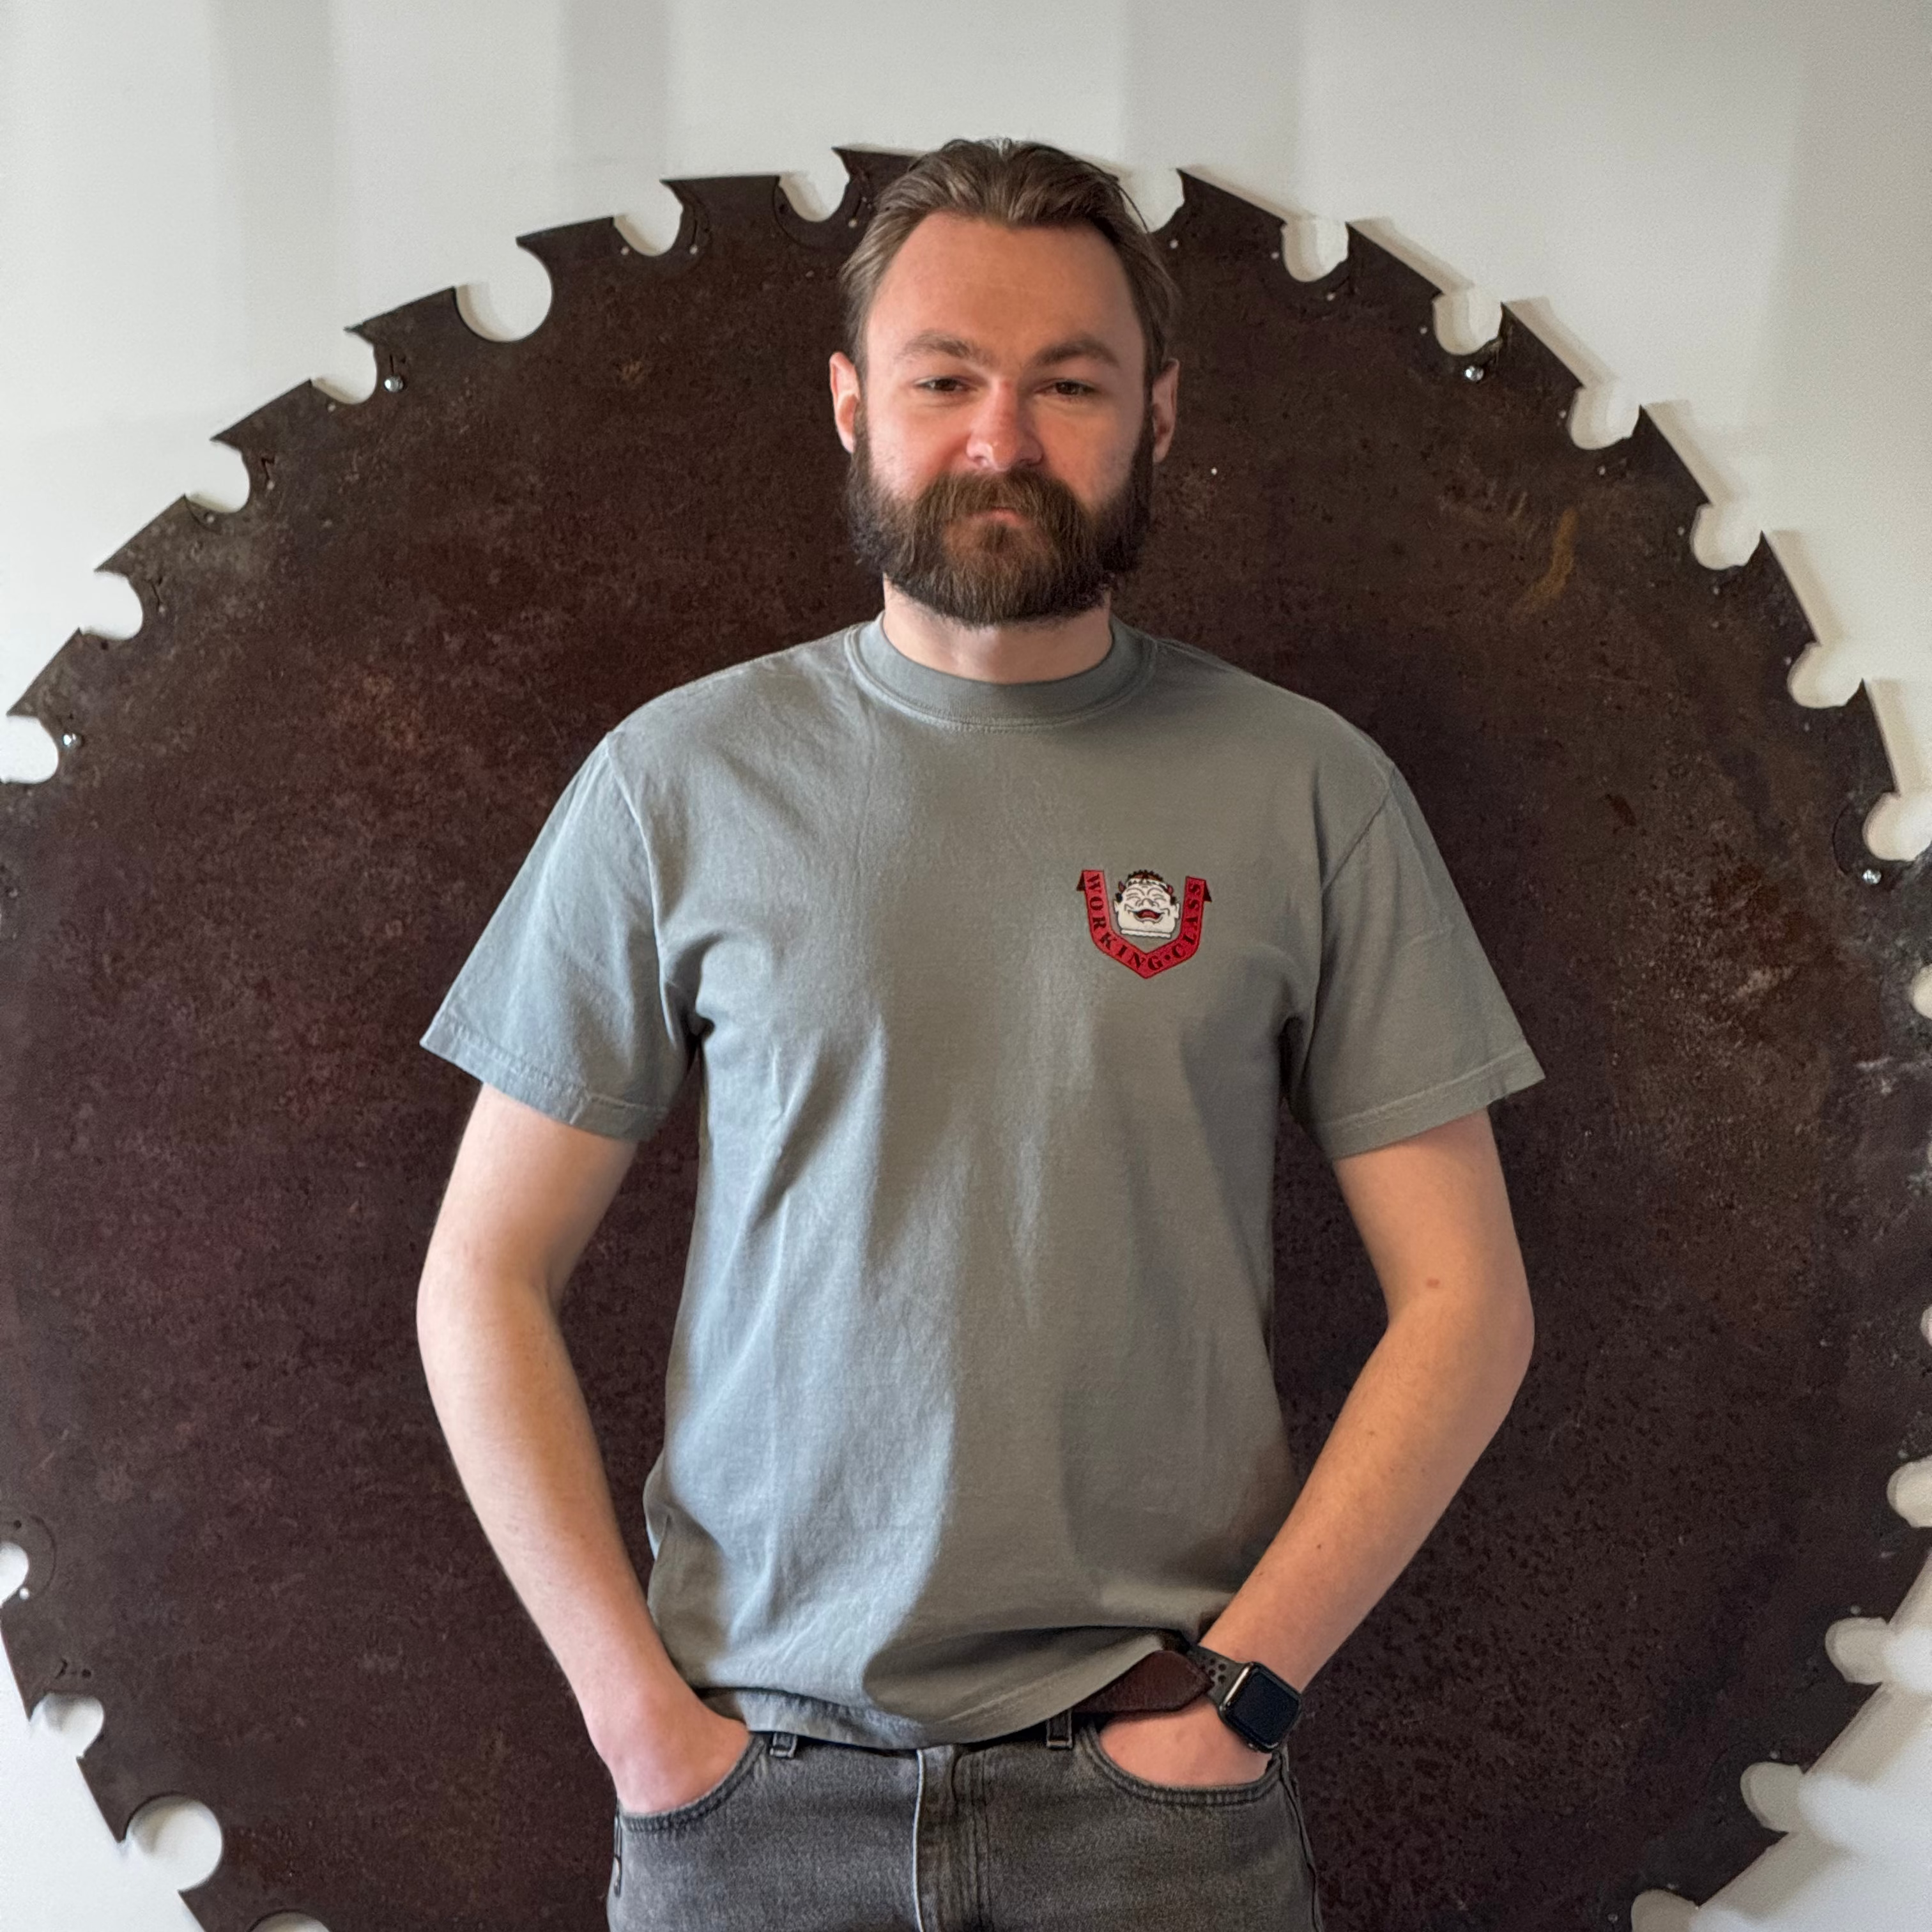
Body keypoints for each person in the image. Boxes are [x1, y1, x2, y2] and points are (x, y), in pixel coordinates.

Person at [415, 135, 1543, 1932]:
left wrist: (1239, 1707)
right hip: (747, 1803)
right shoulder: (676, 782)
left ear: (1157, 415)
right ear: (856, 403)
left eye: (1068, 384)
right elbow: (482, 1275)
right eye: (946, 379)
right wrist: (637, 1725)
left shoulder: (1308, 791)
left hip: (1157, 1805)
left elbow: (1466, 1302)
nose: (1002, 440)